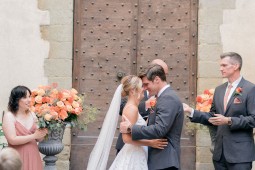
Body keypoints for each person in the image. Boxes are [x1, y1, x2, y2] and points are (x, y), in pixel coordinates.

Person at [183, 52, 255, 170]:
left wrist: (229, 120)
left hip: (240, 156)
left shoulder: (250, 89)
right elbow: (213, 117)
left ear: (235, 66)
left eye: (224, 65)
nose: (220, 68)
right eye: (220, 65)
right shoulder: (219, 90)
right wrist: (191, 111)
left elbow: (253, 119)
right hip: (219, 155)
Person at [87, 75, 168, 170]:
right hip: (133, 156)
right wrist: (150, 143)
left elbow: (142, 127)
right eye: (141, 86)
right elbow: (126, 139)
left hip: (138, 153)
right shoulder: (131, 109)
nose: (143, 89)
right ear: (132, 91)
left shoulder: (133, 107)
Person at [120, 65, 184, 170]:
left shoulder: (168, 98)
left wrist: (131, 128)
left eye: (146, 84)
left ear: (157, 80)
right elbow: (150, 122)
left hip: (164, 160)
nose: (144, 89)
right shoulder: (158, 98)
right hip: (156, 159)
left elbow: (160, 129)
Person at [115, 59, 169, 154]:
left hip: (145, 149)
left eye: (165, 74)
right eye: (162, 72)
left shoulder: (163, 94)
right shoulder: (137, 85)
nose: (163, 77)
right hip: (128, 147)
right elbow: (122, 106)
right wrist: (145, 105)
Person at [2, 86, 48, 170]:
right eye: (25, 97)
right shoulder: (9, 116)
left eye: (29, 96)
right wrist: (34, 136)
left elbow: (39, 139)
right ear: (16, 99)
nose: (29, 100)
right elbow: (12, 140)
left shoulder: (32, 114)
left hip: (34, 155)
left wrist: (44, 131)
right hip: (17, 157)